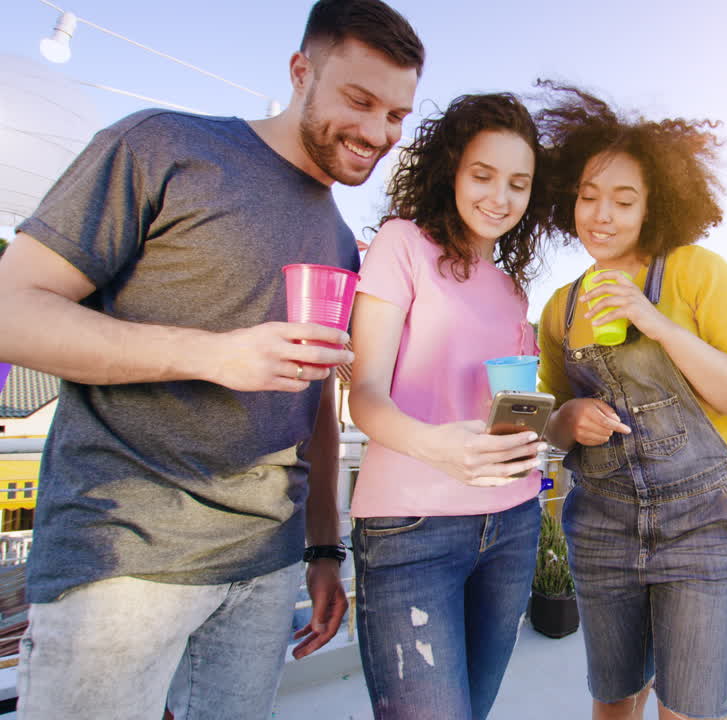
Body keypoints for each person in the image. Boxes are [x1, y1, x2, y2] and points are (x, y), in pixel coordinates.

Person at [0, 2, 423, 717]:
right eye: (360, 101)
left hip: (264, 570)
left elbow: (314, 401)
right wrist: (214, 355)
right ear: (300, 72)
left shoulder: (340, 238)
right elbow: (14, 311)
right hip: (123, 561)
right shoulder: (162, 146)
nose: (378, 132)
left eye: (396, 115)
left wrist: (323, 552)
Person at [536, 84, 727, 720]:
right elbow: (552, 422)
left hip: (703, 525)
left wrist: (658, 322)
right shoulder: (560, 307)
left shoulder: (697, 272)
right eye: (588, 197)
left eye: (623, 199)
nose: (602, 215)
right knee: (614, 699)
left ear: (653, 206)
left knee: (690, 709)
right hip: (602, 525)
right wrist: (569, 419)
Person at [346, 92, 550, 719]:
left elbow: (507, 404)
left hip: (513, 524)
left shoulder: (514, 290)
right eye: (482, 175)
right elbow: (365, 398)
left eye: (518, 183)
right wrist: (442, 448)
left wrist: (527, 431)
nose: (499, 197)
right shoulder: (401, 245)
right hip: (412, 531)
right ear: (451, 171)